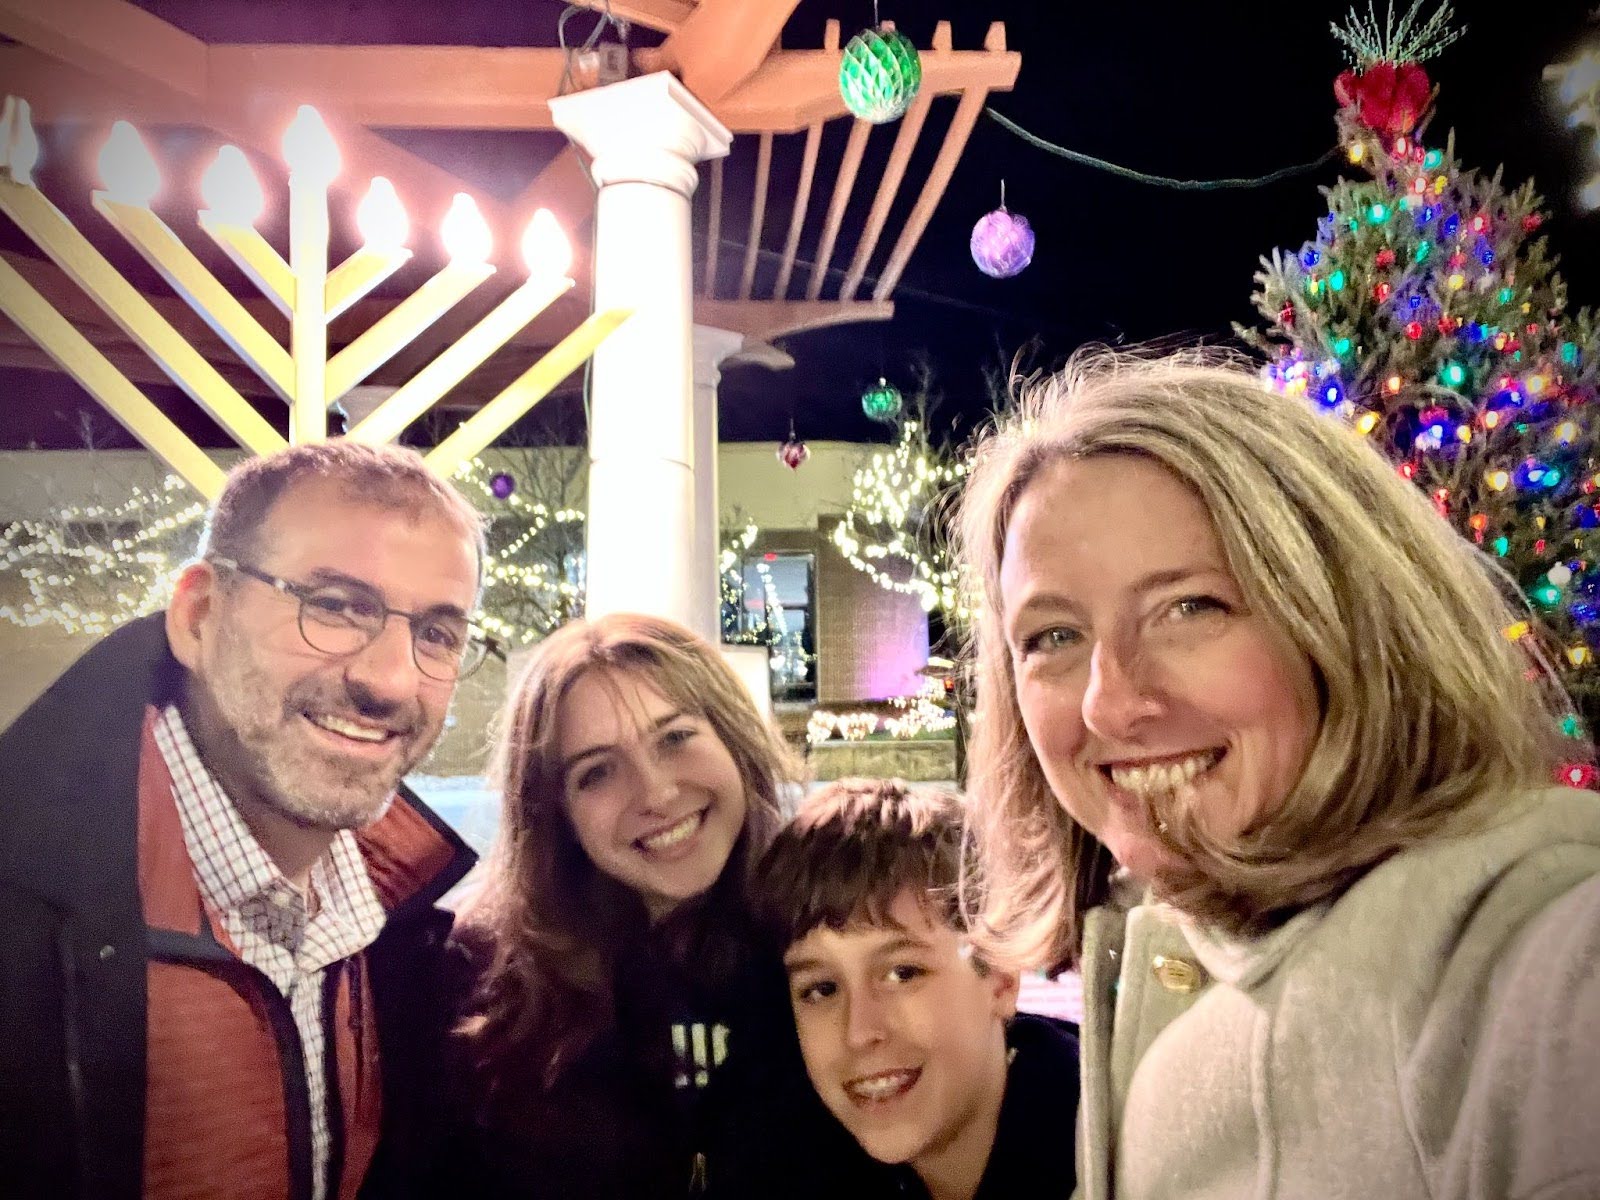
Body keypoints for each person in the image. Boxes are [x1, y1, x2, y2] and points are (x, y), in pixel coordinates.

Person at [953, 348, 1600, 1199]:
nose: (1109, 706)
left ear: (1351, 617)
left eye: (1191, 608)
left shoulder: (1525, 955)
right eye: (1053, 637)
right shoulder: (1160, 946)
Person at [0, 441, 486, 1200]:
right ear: (198, 617)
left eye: (438, 633)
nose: (391, 680)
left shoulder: (402, 931)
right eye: (333, 606)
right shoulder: (24, 920)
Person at [447, 612, 851, 1198]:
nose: (657, 793)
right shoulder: (477, 977)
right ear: (555, 812)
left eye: (675, 738)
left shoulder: (825, 925)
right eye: (598, 772)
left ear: (732, 739)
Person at [753, 777, 1080, 1200]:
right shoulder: (798, 1160)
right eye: (822, 989)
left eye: (902, 973)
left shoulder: (1119, 1156)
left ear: (1000, 978)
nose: (859, 1033)